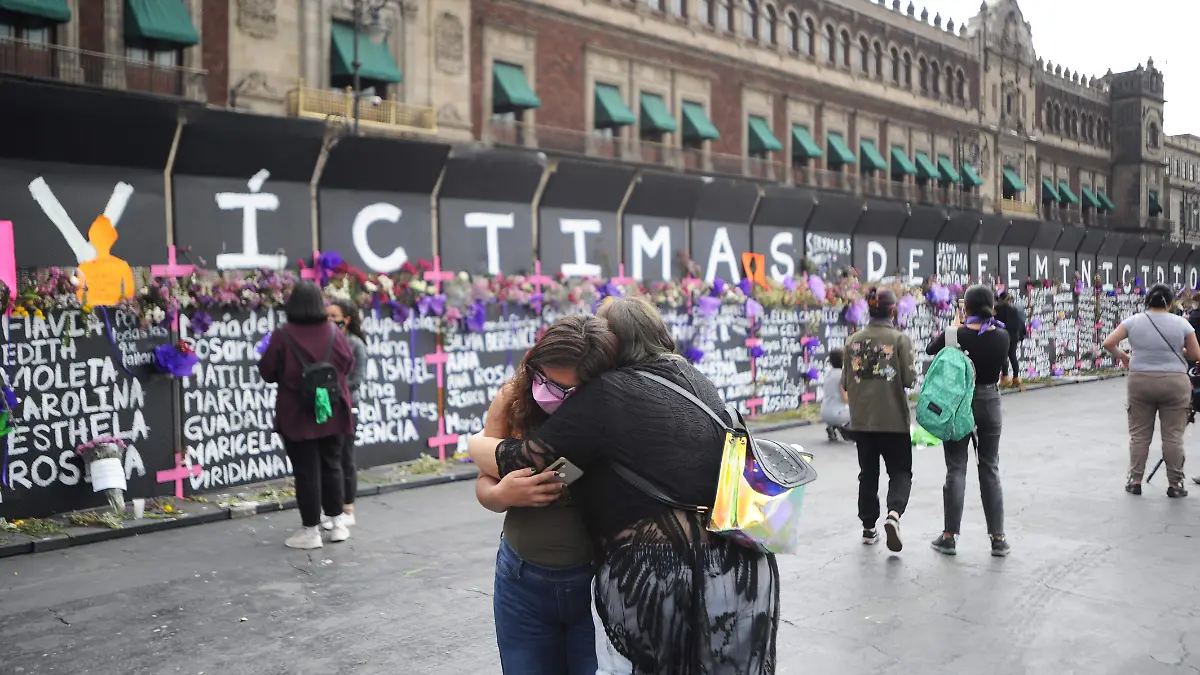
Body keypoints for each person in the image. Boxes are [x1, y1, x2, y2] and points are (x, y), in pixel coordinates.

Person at [470, 297, 780, 675]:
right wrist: (498, 490)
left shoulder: (608, 396)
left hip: (647, 575)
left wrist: (474, 445)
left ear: (607, 351)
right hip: (733, 566)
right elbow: (513, 483)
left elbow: (533, 466)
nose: (559, 395)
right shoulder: (693, 380)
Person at [473, 314, 617, 675]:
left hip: (596, 581)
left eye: (573, 392)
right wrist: (505, 493)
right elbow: (484, 488)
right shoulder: (511, 400)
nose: (558, 399)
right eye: (549, 384)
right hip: (522, 581)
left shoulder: (615, 409)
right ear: (534, 366)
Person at [258, 280, 355, 549]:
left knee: (306, 472)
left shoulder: (283, 335)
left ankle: (310, 531)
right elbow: (347, 364)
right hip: (333, 410)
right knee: (332, 464)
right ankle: (337, 524)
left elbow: (267, 372)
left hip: (297, 414)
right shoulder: (334, 333)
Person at [926, 285, 1011, 557]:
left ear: (967, 307)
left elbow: (931, 350)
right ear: (991, 306)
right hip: (990, 403)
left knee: (956, 469)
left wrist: (954, 330)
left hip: (959, 404)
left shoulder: (955, 335)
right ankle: (998, 538)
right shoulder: (1002, 335)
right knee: (989, 467)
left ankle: (949, 536)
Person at [1103, 283, 1200, 498]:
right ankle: (1175, 484)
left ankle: (1135, 480)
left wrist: (1125, 357)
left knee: (1139, 436)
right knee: (1173, 436)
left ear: (1147, 301)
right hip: (1175, 382)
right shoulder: (1181, 323)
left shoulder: (1133, 321)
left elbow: (1108, 342)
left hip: (1141, 381)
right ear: (1171, 302)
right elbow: (1195, 353)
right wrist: (1178, 350)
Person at [843, 288, 917, 553]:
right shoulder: (899, 339)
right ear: (893, 310)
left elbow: (846, 383)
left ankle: (868, 528)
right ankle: (893, 515)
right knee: (900, 471)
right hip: (894, 420)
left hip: (862, 421)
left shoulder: (852, 341)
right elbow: (909, 380)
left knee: (868, 474)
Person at [323, 299, 367, 529]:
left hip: (347, 407)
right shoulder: (325, 342)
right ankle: (333, 508)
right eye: (326, 316)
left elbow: (356, 379)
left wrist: (333, 390)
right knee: (329, 459)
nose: (329, 320)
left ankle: (348, 507)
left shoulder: (355, 344)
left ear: (346, 320)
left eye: (334, 316)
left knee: (345, 457)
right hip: (327, 406)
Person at [994, 290, 1027, 388]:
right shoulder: (1016, 308)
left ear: (1000, 299)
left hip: (1003, 335)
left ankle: (1005, 377)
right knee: (1012, 356)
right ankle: (1016, 378)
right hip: (1015, 335)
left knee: (1004, 356)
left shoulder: (998, 308)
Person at [820, 350, 852, 442]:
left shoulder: (828, 373)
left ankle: (833, 426)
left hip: (824, 412)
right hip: (837, 414)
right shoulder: (842, 375)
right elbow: (845, 398)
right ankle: (845, 429)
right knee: (859, 410)